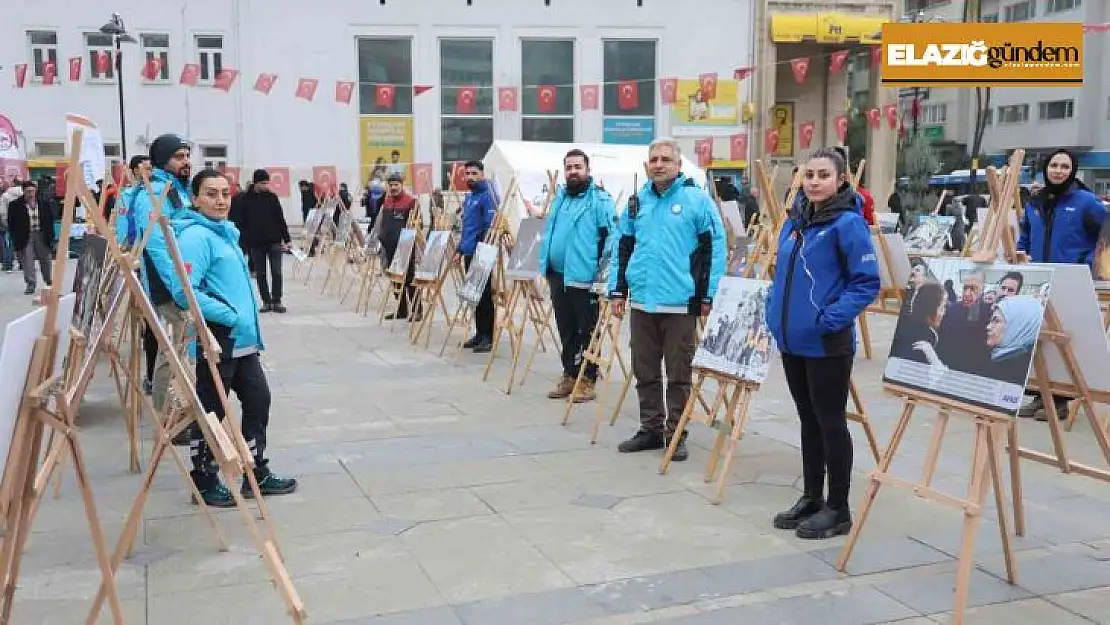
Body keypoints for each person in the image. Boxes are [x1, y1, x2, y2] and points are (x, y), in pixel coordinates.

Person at [765, 147, 880, 540]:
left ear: (841, 180)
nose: (814, 181)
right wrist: (772, 313)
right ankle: (812, 497)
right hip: (792, 341)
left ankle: (839, 507)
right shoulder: (794, 221)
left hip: (826, 343)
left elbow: (866, 282)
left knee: (830, 423)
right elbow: (781, 273)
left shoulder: (848, 223)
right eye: (809, 175)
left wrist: (829, 319)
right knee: (807, 421)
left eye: (823, 175)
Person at [173, 169, 297, 507]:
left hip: (243, 342)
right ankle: (204, 477)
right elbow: (185, 291)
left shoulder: (225, 232)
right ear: (195, 198)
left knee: (258, 401)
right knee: (212, 411)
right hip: (218, 340)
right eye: (211, 194)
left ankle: (255, 469)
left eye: (225, 193)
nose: (220, 200)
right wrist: (230, 315)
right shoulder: (195, 237)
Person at [608, 138, 726, 463]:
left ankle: (676, 432)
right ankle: (650, 428)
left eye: (666, 159)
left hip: (680, 302)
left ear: (678, 165)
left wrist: (708, 293)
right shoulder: (636, 203)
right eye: (654, 159)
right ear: (647, 165)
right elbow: (622, 246)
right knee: (644, 369)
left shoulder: (697, 201)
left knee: (678, 372)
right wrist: (617, 290)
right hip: (642, 302)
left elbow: (714, 248)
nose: (659, 164)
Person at [115, 134, 195, 443]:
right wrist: (178, 286)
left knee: (180, 348)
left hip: (184, 281)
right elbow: (158, 245)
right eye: (179, 156)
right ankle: (167, 418)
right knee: (171, 351)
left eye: (187, 155)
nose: (186, 161)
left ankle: (179, 411)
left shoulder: (176, 190)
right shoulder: (153, 194)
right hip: (168, 287)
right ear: (163, 161)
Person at [1017, 148, 1105, 420]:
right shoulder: (1036, 202)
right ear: (1046, 169)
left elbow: (1107, 235)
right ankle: (1039, 394)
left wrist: (1089, 262)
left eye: (1064, 166)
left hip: (1071, 280)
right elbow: (1025, 235)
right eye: (1054, 165)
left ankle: (1061, 400)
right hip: (1038, 278)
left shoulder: (1086, 202)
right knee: (1037, 338)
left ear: (1073, 170)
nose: (1058, 170)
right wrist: (1021, 256)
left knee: (1063, 340)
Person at [537, 149, 616, 403]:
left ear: (587, 170)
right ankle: (570, 373)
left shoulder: (600, 200)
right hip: (558, 276)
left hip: (585, 278)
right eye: (569, 167)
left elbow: (611, 239)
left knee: (588, 331)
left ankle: (588, 378)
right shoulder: (560, 198)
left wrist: (603, 278)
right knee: (566, 329)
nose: (573, 172)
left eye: (577, 167)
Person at [454, 160, 498, 352]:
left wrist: (481, 251)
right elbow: (467, 228)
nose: (470, 177)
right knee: (474, 296)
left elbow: (488, 227)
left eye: (474, 173)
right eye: (467, 173)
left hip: (482, 254)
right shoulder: (469, 197)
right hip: (469, 252)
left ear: (482, 174)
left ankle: (488, 336)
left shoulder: (488, 196)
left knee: (485, 296)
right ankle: (479, 333)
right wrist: (460, 249)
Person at [238, 169, 292, 313]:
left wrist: (287, 239)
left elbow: (280, 219)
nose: (266, 186)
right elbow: (241, 222)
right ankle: (266, 301)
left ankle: (277, 301)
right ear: (256, 183)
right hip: (256, 244)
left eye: (267, 183)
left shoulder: (272, 197)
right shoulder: (245, 199)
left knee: (277, 272)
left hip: (274, 241)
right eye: (263, 183)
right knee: (260, 274)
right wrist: (245, 241)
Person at [377, 173, 421, 320]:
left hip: (405, 246)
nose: (393, 187)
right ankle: (402, 310)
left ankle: (417, 310)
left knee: (409, 279)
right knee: (395, 278)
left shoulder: (411, 202)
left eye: (396, 185)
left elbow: (417, 224)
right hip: (388, 246)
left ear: (402, 185)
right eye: (391, 185)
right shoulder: (387, 201)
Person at [8, 180, 55, 294]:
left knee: (46, 259)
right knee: (27, 261)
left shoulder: (43, 203)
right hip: (25, 236)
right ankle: (31, 283)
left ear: (36, 191)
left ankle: (49, 281)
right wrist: (15, 238)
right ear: (23, 191)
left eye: (33, 191)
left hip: (41, 234)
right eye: (28, 191)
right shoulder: (15, 205)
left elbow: (50, 220)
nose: (30, 193)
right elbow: (11, 222)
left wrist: (52, 236)